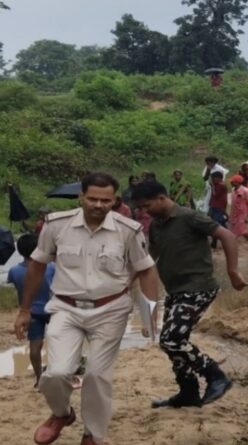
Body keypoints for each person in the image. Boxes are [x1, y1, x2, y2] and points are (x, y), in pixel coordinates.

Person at [14, 172, 159, 445]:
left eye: (106, 200)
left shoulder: (129, 230)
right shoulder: (56, 225)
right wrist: (24, 310)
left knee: (96, 375)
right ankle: (61, 413)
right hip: (65, 308)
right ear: (81, 197)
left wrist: (149, 314)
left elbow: (147, 270)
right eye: (92, 198)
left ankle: (93, 434)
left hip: (111, 310)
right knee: (56, 373)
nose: (98, 205)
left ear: (115, 200)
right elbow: (37, 265)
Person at [131, 181, 248, 409]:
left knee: (171, 340)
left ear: (162, 198)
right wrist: (131, 278)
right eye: (141, 208)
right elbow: (150, 256)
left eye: (147, 206)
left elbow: (227, 236)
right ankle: (188, 391)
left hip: (198, 287)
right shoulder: (156, 225)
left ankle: (216, 376)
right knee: (172, 342)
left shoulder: (189, 217)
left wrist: (233, 271)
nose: (144, 212)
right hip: (176, 290)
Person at [7, 234, 56, 388]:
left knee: (35, 345)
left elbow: (14, 285)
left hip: (30, 312)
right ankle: (58, 371)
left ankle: (39, 378)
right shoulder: (50, 267)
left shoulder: (14, 271)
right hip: (52, 309)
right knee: (58, 340)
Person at [229, 175, 248, 252]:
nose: (231, 183)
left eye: (232, 182)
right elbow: (232, 203)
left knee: (238, 232)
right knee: (241, 232)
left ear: (237, 182)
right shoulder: (233, 190)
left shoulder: (245, 191)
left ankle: (233, 249)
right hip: (235, 213)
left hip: (242, 214)